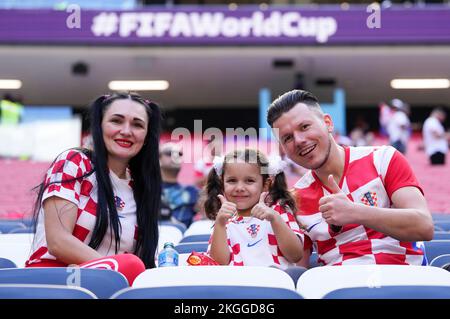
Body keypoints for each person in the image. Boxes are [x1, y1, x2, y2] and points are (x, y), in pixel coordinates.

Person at [267, 89, 434, 267]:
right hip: (341, 288)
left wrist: (355, 212)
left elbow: (423, 226)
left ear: (328, 123)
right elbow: (299, 269)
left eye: (305, 127)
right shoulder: (295, 199)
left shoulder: (383, 159)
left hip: (403, 281)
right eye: (287, 138)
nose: (299, 140)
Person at [26, 92, 162, 285]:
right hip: (53, 280)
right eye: (116, 121)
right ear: (99, 126)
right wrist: (114, 271)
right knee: (132, 266)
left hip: (107, 287)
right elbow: (58, 241)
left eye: (137, 124)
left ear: (147, 136)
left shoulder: (141, 190)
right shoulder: (75, 162)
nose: (126, 131)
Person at [204, 148, 304, 269]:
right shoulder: (223, 221)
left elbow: (296, 255)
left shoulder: (278, 212)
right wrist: (219, 223)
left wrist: (274, 219)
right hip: (238, 285)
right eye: (232, 181)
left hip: (275, 284)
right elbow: (219, 264)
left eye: (249, 181)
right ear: (222, 183)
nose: (240, 187)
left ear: (265, 185)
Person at [159, 142, 199, 228]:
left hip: (183, 238)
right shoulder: (147, 189)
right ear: (159, 159)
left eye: (179, 154)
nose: (175, 157)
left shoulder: (193, 191)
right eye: (169, 153)